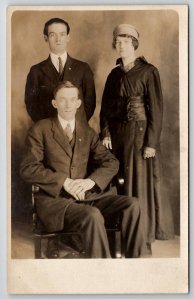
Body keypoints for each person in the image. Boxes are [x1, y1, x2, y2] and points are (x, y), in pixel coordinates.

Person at [20, 81, 146, 258]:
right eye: (63, 100)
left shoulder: (87, 132)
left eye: (73, 100)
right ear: (54, 103)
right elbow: (28, 168)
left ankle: (137, 266)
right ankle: (103, 272)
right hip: (56, 202)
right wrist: (64, 182)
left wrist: (90, 182)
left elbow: (111, 162)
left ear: (79, 103)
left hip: (87, 197)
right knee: (92, 215)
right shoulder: (40, 129)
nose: (68, 105)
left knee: (132, 204)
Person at [100, 24, 174, 249]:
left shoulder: (149, 71)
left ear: (134, 44)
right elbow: (105, 108)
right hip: (117, 135)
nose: (120, 46)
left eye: (125, 42)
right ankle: (119, 235)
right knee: (118, 182)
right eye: (117, 42)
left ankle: (142, 237)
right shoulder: (113, 74)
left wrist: (151, 143)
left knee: (140, 184)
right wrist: (105, 133)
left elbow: (157, 110)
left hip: (140, 135)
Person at [25, 17, 96, 122]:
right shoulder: (36, 71)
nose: (58, 39)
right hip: (48, 133)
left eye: (62, 34)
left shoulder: (83, 68)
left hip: (77, 131)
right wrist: (45, 129)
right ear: (46, 38)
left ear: (68, 37)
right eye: (53, 35)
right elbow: (31, 105)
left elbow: (90, 103)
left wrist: (77, 125)